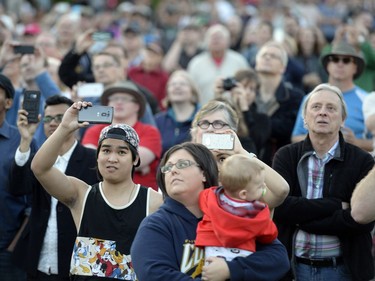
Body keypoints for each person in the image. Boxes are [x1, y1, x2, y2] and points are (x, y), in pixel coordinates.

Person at [30, 101, 163, 280]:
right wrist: (64, 128)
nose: (112, 158)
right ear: (97, 156)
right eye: (106, 150)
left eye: (122, 152)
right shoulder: (81, 195)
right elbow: (40, 168)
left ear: (135, 159)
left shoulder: (153, 201)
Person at [131, 142, 290, 281]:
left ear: (204, 174)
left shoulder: (235, 211)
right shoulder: (156, 224)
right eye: (167, 167)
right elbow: (155, 274)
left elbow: (278, 259)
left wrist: (230, 269)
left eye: (181, 164)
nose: (173, 171)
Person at [272, 83, 374, 281]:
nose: (323, 113)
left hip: (344, 270)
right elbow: (281, 208)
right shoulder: (286, 156)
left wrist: (301, 218)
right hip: (294, 268)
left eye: (331, 108)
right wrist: (336, 206)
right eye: (316, 107)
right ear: (305, 117)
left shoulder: (363, 160)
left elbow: (362, 221)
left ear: (343, 119)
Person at [8, 95, 98, 281]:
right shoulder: (38, 159)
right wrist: (26, 140)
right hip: (37, 257)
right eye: (48, 118)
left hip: (78, 262)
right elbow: (18, 189)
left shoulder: (93, 160)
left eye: (60, 117)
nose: (53, 123)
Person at [292, 42, 372, 152]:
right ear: (328, 65)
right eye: (335, 59)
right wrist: (324, 139)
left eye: (346, 60)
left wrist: (358, 143)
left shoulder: (368, 100)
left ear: (355, 68)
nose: (340, 64)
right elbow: (296, 137)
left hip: (357, 164)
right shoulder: (310, 98)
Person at [195, 154, 278, 262]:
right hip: (242, 252)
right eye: (260, 186)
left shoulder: (210, 196)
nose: (263, 188)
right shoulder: (258, 211)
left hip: (211, 249)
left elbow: (201, 199)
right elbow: (270, 234)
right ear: (243, 194)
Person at [81, 81, 162, 190]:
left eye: (125, 99)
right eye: (114, 99)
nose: (119, 102)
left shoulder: (150, 131)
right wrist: (135, 166)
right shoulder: (94, 130)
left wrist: (103, 160)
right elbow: (89, 159)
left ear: (137, 106)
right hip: (101, 195)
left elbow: (139, 160)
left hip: (141, 197)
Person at [0, 73, 31, 281]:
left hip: (7, 249)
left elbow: (35, 200)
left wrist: (14, 245)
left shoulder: (24, 140)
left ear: (9, 102)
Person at [253, 40, 304, 165]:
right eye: (264, 55)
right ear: (256, 63)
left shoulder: (295, 97)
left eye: (274, 56)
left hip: (278, 163)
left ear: (283, 68)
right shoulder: (244, 93)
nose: (268, 58)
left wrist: (250, 118)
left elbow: (285, 130)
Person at [187, 24, 249, 105]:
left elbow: (248, 87)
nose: (215, 40)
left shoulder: (239, 61)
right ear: (206, 41)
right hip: (204, 111)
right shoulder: (195, 63)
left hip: (235, 111)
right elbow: (190, 91)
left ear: (228, 41)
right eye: (212, 37)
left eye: (219, 37)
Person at [214, 68, 271, 155]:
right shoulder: (225, 113)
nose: (247, 93)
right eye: (243, 87)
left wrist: (245, 109)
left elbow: (256, 143)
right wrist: (217, 96)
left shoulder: (263, 118)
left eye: (252, 89)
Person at [154, 69, 200, 156]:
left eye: (183, 84)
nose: (177, 87)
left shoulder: (203, 118)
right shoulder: (158, 121)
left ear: (193, 91)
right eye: (173, 84)